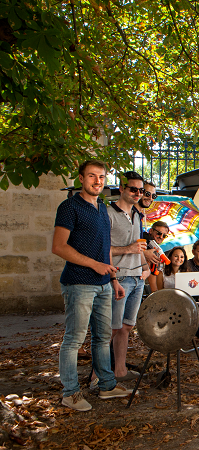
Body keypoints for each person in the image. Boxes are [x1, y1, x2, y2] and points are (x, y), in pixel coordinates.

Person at [52, 160, 132, 411]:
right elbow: (59, 247)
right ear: (81, 179)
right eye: (92, 176)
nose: (98, 181)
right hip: (78, 283)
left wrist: (113, 279)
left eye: (101, 177)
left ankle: (106, 385)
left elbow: (104, 249)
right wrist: (94, 266)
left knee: (102, 337)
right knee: (74, 339)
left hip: (103, 285)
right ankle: (70, 393)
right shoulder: (69, 207)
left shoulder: (101, 208)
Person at [108, 170, 150, 381]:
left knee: (126, 327)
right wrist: (128, 249)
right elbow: (103, 249)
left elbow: (139, 247)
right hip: (119, 277)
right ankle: (99, 375)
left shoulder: (138, 215)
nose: (138, 193)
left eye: (141, 190)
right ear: (121, 188)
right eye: (133, 189)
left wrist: (145, 266)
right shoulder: (107, 213)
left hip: (137, 277)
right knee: (111, 329)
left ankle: (120, 370)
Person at [157, 247, 199, 354]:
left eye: (182, 257)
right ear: (170, 257)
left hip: (184, 302)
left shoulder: (186, 272)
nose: (179, 259)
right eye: (176, 256)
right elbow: (159, 293)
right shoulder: (162, 273)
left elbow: (194, 288)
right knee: (189, 315)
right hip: (168, 303)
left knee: (190, 313)